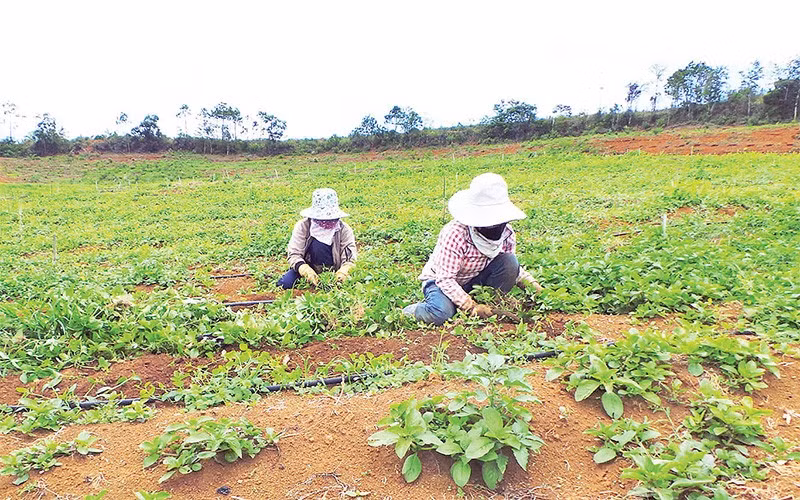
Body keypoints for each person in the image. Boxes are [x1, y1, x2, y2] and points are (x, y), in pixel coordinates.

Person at [402, 172, 542, 325]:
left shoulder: (507, 233)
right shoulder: (455, 234)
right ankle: (412, 311)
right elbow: (445, 279)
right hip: (440, 282)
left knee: (509, 260)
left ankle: (489, 305)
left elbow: (510, 266)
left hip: (475, 280)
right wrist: (471, 306)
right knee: (441, 313)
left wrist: (533, 286)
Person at [277, 188, 357, 289]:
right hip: (308, 265)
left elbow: (350, 258)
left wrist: (343, 271)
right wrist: (304, 269)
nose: (326, 222)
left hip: (334, 269)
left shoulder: (344, 229)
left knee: (350, 285)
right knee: (285, 283)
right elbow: (294, 254)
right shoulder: (303, 226)